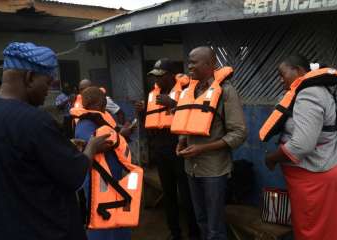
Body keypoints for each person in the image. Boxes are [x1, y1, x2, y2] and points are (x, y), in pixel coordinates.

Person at [0, 42, 110, 240]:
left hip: (1, 228)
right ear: (29, 77)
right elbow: (74, 174)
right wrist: (91, 147)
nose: (48, 90)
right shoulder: (34, 121)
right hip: (45, 230)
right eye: (47, 83)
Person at [263, 54, 337, 240]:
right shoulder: (324, 90)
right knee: (332, 230)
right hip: (330, 168)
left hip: (314, 177)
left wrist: (271, 158)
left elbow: (301, 146)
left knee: (313, 231)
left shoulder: (307, 94)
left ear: (298, 70)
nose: (281, 80)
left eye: (282, 74)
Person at [174, 47, 247, 240]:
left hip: (214, 170)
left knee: (215, 226)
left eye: (194, 62)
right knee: (201, 220)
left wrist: (203, 148)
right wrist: (182, 140)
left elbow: (239, 133)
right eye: (188, 62)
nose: (189, 67)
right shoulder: (191, 90)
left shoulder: (226, 91)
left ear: (209, 64)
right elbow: (189, 122)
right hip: (191, 168)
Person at [135, 58, 199, 240]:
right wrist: (141, 112)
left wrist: (173, 104)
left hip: (179, 147)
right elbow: (149, 122)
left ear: (171, 76)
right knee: (168, 194)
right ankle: (175, 232)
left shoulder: (186, 92)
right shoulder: (153, 94)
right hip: (160, 149)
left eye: (160, 76)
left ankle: (194, 233)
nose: (156, 80)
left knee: (186, 196)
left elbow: (193, 115)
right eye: (154, 76)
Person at [74, 86, 131, 240]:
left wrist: (118, 133)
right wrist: (122, 135)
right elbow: (101, 144)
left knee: (116, 215)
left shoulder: (97, 119)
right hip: (98, 182)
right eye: (104, 100)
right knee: (100, 219)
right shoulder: (86, 123)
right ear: (101, 102)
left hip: (110, 178)